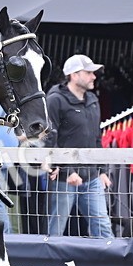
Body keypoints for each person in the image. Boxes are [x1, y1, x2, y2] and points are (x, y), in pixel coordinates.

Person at [43, 54, 114, 238]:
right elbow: (51, 139)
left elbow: (97, 138)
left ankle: (113, 264)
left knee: (103, 226)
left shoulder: (93, 100)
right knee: (56, 228)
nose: (94, 77)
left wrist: (103, 171)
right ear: (74, 75)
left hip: (91, 176)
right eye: (89, 72)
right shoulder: (55, 100)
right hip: (64, 179)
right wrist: (67, 171)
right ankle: (48, 264)